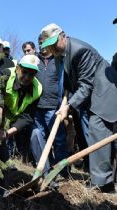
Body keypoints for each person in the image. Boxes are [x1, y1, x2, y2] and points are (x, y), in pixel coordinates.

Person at [41, 23, 117, 193]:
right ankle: (104, 181)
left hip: (105, 91)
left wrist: (68, 106)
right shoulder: (60, 54)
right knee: (92, 132)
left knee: (97, 130)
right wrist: (64, 101)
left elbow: (85, 84)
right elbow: (68, 80)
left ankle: (102, 183)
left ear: (63, 36)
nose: (52, 48)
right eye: (49, 46)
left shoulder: (79, 50)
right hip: (93, 96)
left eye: (54, 43)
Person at [0, 54, 42, 196]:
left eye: (32, 74)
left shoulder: (38, 89)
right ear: (17, 69)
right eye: (25, 72)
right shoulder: (5, 75)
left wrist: (6, 133)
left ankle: (40, 178)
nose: (28, 77)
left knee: (34, 135)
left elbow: (27, 117)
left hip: (12, 118)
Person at [30, 34, 68, 177]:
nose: (41, 45)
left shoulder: (58, 59)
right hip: (38, 107)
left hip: (54, 107)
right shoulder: (35, 61)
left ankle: (62, 169)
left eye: (44, 42)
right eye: (39, 43)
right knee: (42, 138)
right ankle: (48, 168)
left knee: (59, 139)